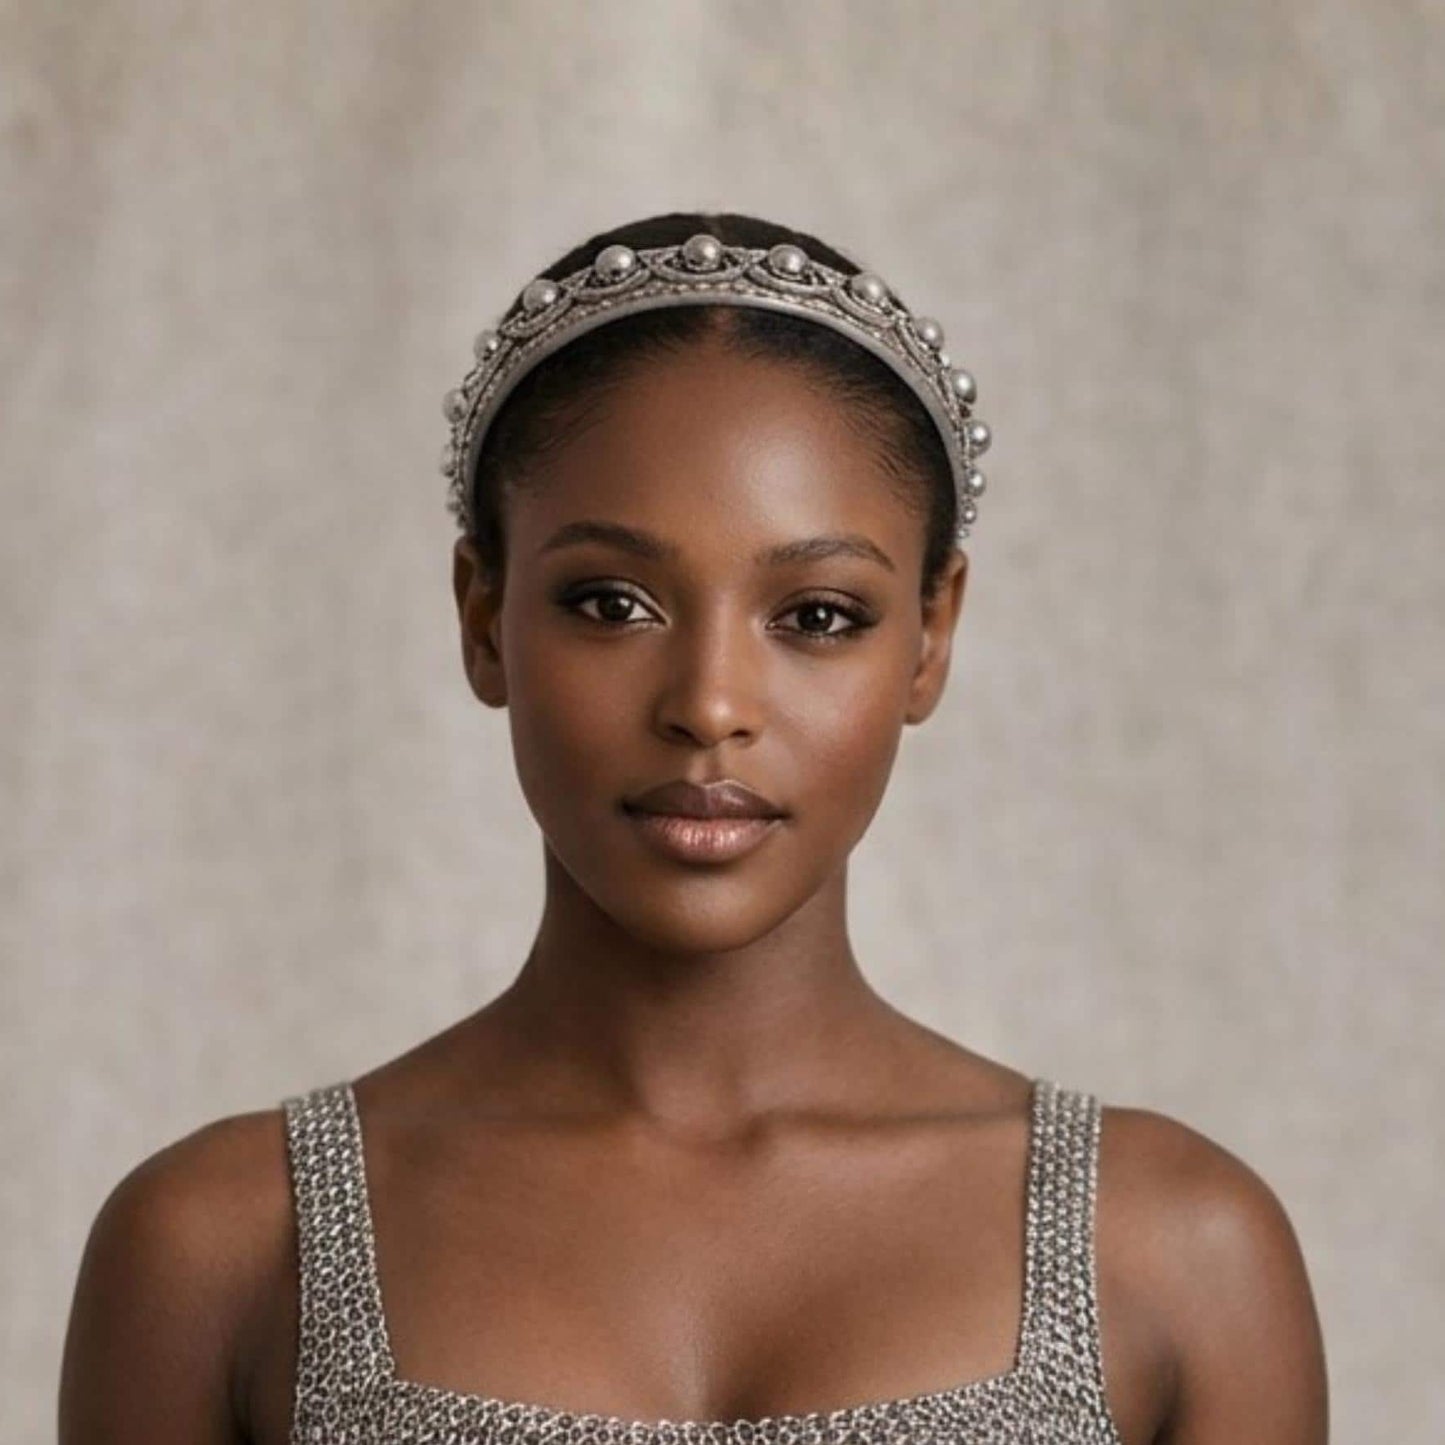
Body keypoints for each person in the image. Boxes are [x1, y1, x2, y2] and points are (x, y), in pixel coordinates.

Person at [58, 211, 1328, 1445]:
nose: (709, 705)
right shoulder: (223, 1246)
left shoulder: (1171, 1252)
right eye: (611, 602)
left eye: (818, 615)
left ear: (931, 636)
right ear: (482, 615)